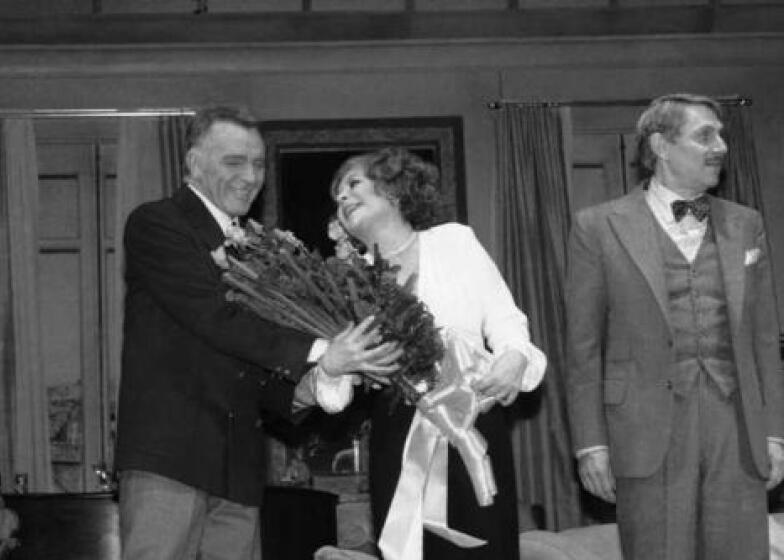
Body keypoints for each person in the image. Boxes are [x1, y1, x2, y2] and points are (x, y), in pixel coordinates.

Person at [114, 106, 401, 560]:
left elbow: (252, 367)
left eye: (258, 163)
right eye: (234, 162)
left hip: (240, 472)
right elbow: (215, 319)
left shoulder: (258, 252)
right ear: (193, 163)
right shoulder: (157, 224)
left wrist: (324, 380)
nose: (251, 176)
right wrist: (321, 349)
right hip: (170, 461)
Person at [565, 93, 784, 559]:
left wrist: (775, 432)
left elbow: (766, 339)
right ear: (661, 146)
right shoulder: (598, 227)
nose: (720, 145)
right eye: (705, 135)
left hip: (736, 427)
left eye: (721, 134)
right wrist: (590, 444)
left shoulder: (746, 224)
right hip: (643, 429)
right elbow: (582, 349)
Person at [320, 147, 547, 560]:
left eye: (353, 184)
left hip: (473, 419)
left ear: (394, 188)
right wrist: (333, 366)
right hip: (398, 430)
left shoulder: (455, 241)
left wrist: (515, 357)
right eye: (336, 196)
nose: (342, 198)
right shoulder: (344, 282)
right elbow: (337, 386)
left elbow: (505, 318)